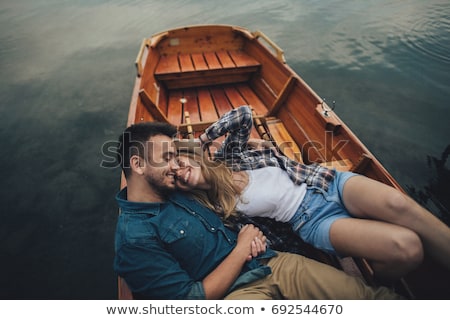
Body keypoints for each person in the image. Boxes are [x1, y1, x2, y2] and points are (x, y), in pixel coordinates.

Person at [113, 121, 402, 299]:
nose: (176, 166)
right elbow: (190, 302)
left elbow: (211, 169)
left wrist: (252, 238)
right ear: (138, 165)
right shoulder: (135, 239)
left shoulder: (175, 185)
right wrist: (240, 249)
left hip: (273, 262)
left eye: (176, 156)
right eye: (167, 158)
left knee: (370, 300)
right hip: (237, 294)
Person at [174, 105, 450, 281]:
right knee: (406, 249)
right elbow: (253, 240)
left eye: (179, 161)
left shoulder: (228, 157)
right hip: (312, 221)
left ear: (190, 156)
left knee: (398, 203)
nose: (179, 170)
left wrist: (201, 141)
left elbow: (243, 114)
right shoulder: (217, 211)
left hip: (326, 183)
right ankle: (373, 289)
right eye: (173, 177)